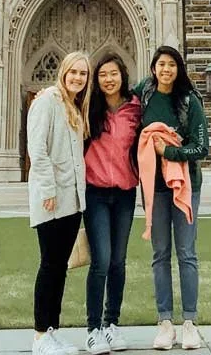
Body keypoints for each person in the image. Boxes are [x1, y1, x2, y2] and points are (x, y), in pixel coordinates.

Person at [134, 46, 209, 352]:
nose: (166, 70)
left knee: (187, 254)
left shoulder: (190, 101)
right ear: (153, 68)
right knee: (160, 254)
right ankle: (165, 323)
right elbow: (113, 101)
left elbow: (201, 148)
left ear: (179, 69)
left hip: (186, 185)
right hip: (155, 187)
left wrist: (169, 152)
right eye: (161, 64)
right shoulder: (144, 95)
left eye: (172, 65)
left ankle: (189, 322)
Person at [28, 51, 91, 355]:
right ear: (63, 72)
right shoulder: (47, 101)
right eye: (73, 72)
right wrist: (48, 190)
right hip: (53, 198)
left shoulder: (75, 108)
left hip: (73, 199)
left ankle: (52, 331)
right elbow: (37, 149)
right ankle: (40, 336)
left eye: (83, 73)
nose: (78, 77)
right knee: (50, 265)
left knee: (60, 268)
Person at [82, 54, 142, 354]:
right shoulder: (88, 109)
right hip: (95, 194)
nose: (108, 79)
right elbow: (63, 100)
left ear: (123, 76)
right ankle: (92, 329)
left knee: (119, 261)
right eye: (103, 74)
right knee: (101, 261)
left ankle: (111, 325)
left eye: (113, 73)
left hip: (125, 194)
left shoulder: (135, 108)